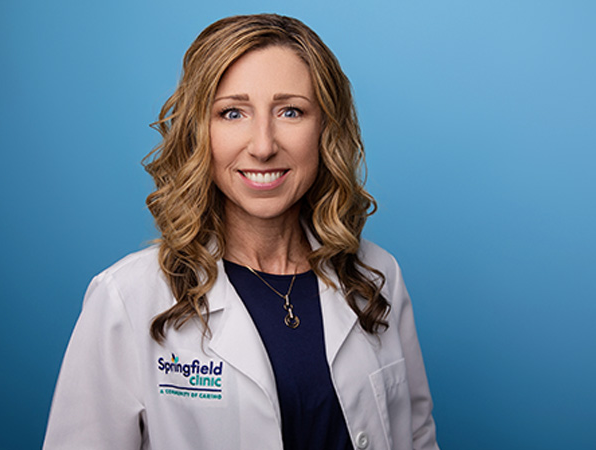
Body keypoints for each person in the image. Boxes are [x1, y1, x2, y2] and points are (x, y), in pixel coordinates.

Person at [43, 13, 438, 450]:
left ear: (325, 127)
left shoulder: (378, 275)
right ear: (199, 132)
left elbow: (415, 438)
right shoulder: (127, 298)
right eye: (233, 113)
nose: (264, 145)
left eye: (291, 111)